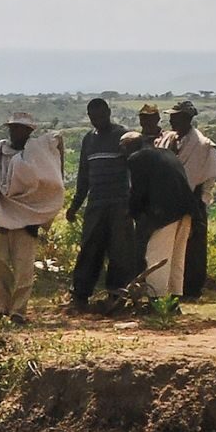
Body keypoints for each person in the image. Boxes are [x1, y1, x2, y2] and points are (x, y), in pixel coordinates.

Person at [0, 112, 63, 321]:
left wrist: (37, 220)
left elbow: (47, 188)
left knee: (24, 268)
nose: (16, 132)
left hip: (27, 221)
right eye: (13, 128)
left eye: (20, 129)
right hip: (0, 217)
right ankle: (1, 306)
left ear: (29, 131)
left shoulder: (39, 155)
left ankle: (18, 310)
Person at [64, 98, 136, 310]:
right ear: (89, 117)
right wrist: (75, 205)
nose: (98, 120)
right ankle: (80, 295)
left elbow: (134, 170)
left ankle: (117, 295)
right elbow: (83, 177)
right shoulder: (88, 140)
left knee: (119, 251)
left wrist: (134, 205)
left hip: (120, 203)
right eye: (93, 117)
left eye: (101, 116)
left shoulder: (123, 136)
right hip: (96, 203)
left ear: (109, 113)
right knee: (90, 250)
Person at [123, 132, 204, 303]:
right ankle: (174, 302)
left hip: (165, 212)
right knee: (176, 258)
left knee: (156, 256)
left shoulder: (136, 158)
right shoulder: (166, 153)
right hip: (187, 209)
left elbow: (138, 192)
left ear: (128, 146)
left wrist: (132, 213)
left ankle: (156, 301)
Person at [162, 100, 216, 301]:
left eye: (176, 117)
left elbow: (204, 174)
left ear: (187, 119)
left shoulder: (201, 145)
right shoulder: (169, 140)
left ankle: (191, 290)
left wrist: (198, 200)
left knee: (194, 248)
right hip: (170, 200)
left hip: (193, 200)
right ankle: (172, 287)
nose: (172, 120)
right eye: (171, 117)